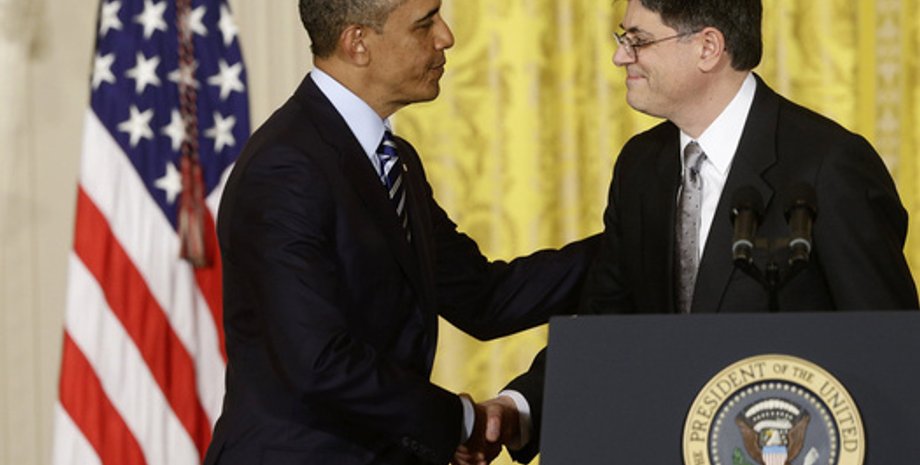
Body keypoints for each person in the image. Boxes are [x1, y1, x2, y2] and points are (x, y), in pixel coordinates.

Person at [455, 0, 920, 463]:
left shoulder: (828, 164)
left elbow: (889, 351)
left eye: (638, 40)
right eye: (623, 39)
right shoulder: (641, 165)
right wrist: (520, 408)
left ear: (708, 47)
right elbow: (607, 328)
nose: (619, 56)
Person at [201, 0, 598, 464]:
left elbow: (484, 297)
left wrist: (635, 241)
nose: (446, 37)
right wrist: (461, 421)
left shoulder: (394, 160)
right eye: (425, 23)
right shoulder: (286, 166)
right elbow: (317, 361)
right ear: (358, 43)